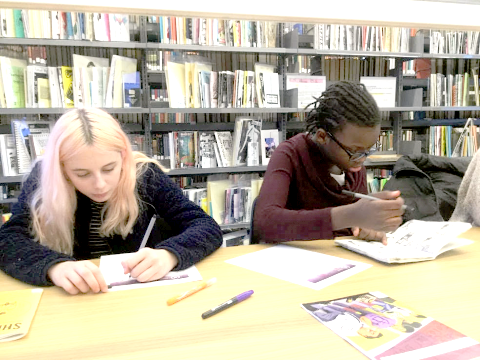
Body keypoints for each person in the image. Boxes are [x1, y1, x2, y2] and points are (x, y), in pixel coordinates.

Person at [0, 108, 223, 295]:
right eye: (82, 174)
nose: (100, 184)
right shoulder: (43, 179)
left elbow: (206, 226)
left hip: (138, 296)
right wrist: (54, 266)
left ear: (123, 157)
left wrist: (170, 254)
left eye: (109, 169)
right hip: (76, 299)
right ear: (63, 170)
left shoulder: (145, 175)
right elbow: (8, 239)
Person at [254, 81, 404, 243]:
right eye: (355, 151)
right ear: (322, 137)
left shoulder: (352, 163)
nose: (362, 159)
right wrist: (350, 215)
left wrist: (369, 226)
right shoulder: (289, 154)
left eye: (368, 150)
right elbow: (265, 223)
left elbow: (355, 229)